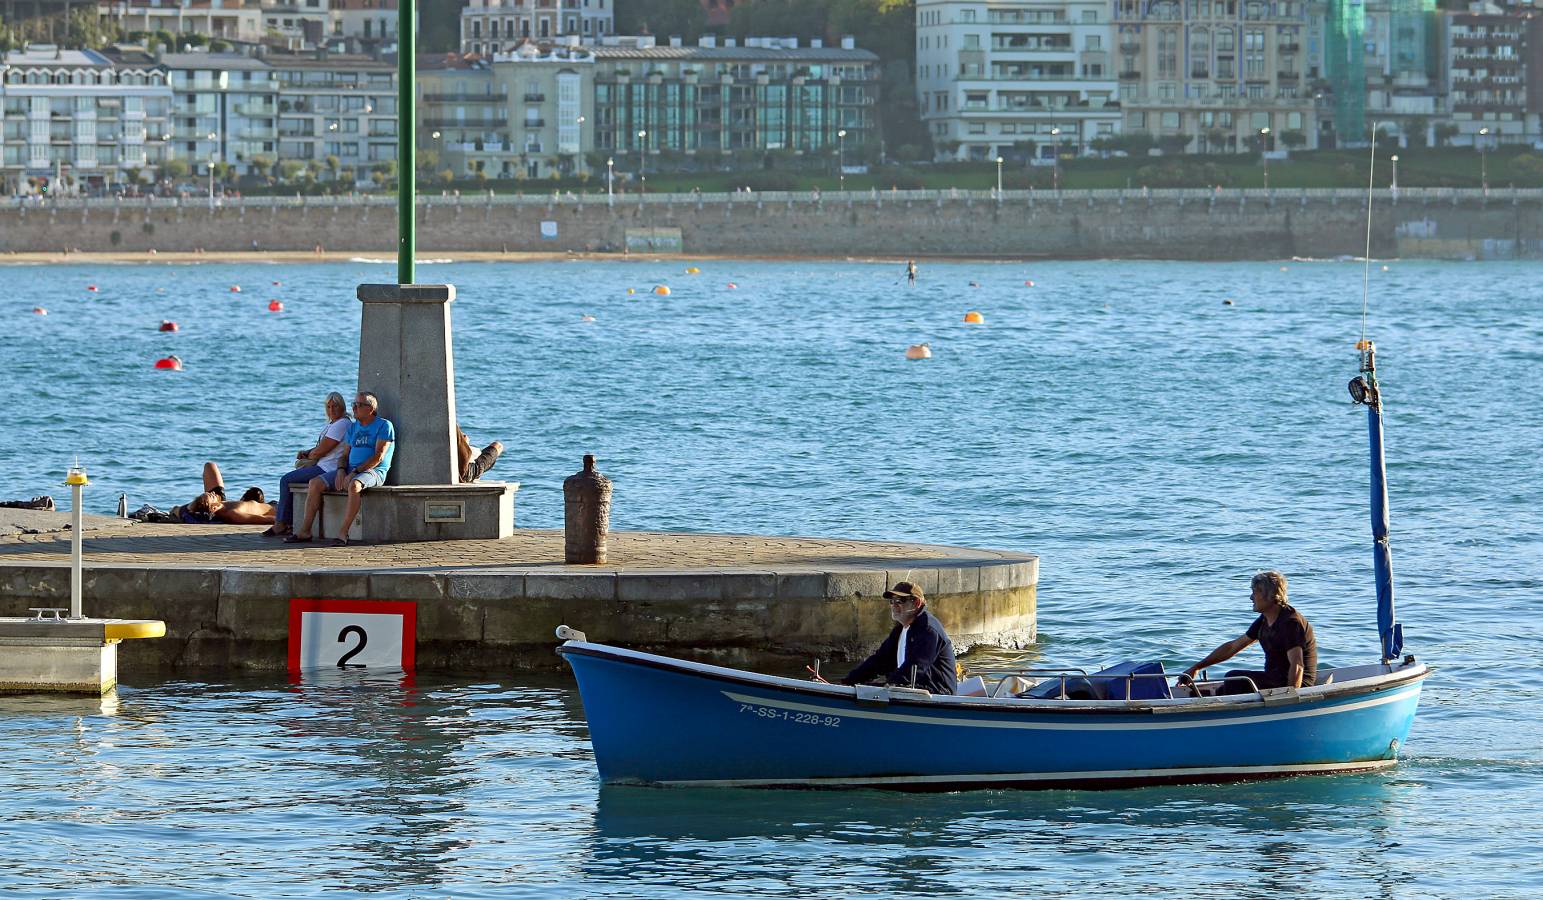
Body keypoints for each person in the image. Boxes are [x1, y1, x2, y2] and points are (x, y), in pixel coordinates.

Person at [1182, 570, 1317, 694]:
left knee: (1233, 677)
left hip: (1296, 685)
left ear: (1270, 595)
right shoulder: (1264, 619)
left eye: (1254, 592)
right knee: (1223, 689)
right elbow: (1233, 647)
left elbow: (1297, 665)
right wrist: (1197, 667)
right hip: (1275, 679)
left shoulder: (1291, 622)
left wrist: (1290, 696)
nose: (1251, 598)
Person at [288, 391, 394, 545]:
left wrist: (355, 473)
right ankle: (305, 531)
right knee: (315, 483)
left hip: (373, 471)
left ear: (370, 409)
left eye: (359, 405)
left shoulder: (384, 425)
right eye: (354, 404)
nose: (354, 408)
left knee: (354, 485)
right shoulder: (353, 428)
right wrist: (340, 471)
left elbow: (378, 457)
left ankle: (343, 533)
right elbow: (344, 455)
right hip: (350, 470)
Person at [839, 581, 957, 695]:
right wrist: (848, 682)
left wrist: (888, 685)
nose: (894, 605)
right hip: (911, 690)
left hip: (938, 694)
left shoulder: (928, 630)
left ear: (916, 603)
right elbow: (879, 660)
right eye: (892, 601)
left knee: (874, 689)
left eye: (900, 601)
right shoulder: (900, 629)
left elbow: (915, 668)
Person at [263, 392, 351, 536]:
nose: (331, 410)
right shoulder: (334, 424)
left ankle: (281, 523)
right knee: (289, 479)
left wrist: (310, 454)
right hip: (323, 465)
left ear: (342, 407)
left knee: (286, 480)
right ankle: (287, 522)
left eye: (335, 406)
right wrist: (308, 452)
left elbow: (322, 450)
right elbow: (321, 447)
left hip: (327, 468)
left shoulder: (342, 424)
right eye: (328, 407)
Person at [170, 462, 276, 525]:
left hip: (228, 503)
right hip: (275, 508)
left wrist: (177, 510)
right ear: (213, 508)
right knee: (256, 492)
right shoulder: (233, 513)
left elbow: (177, 510)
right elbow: (264, 519)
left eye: (209, 493)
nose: (212, 493)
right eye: (211, 496)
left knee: (210, 465)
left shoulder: (217, 504)